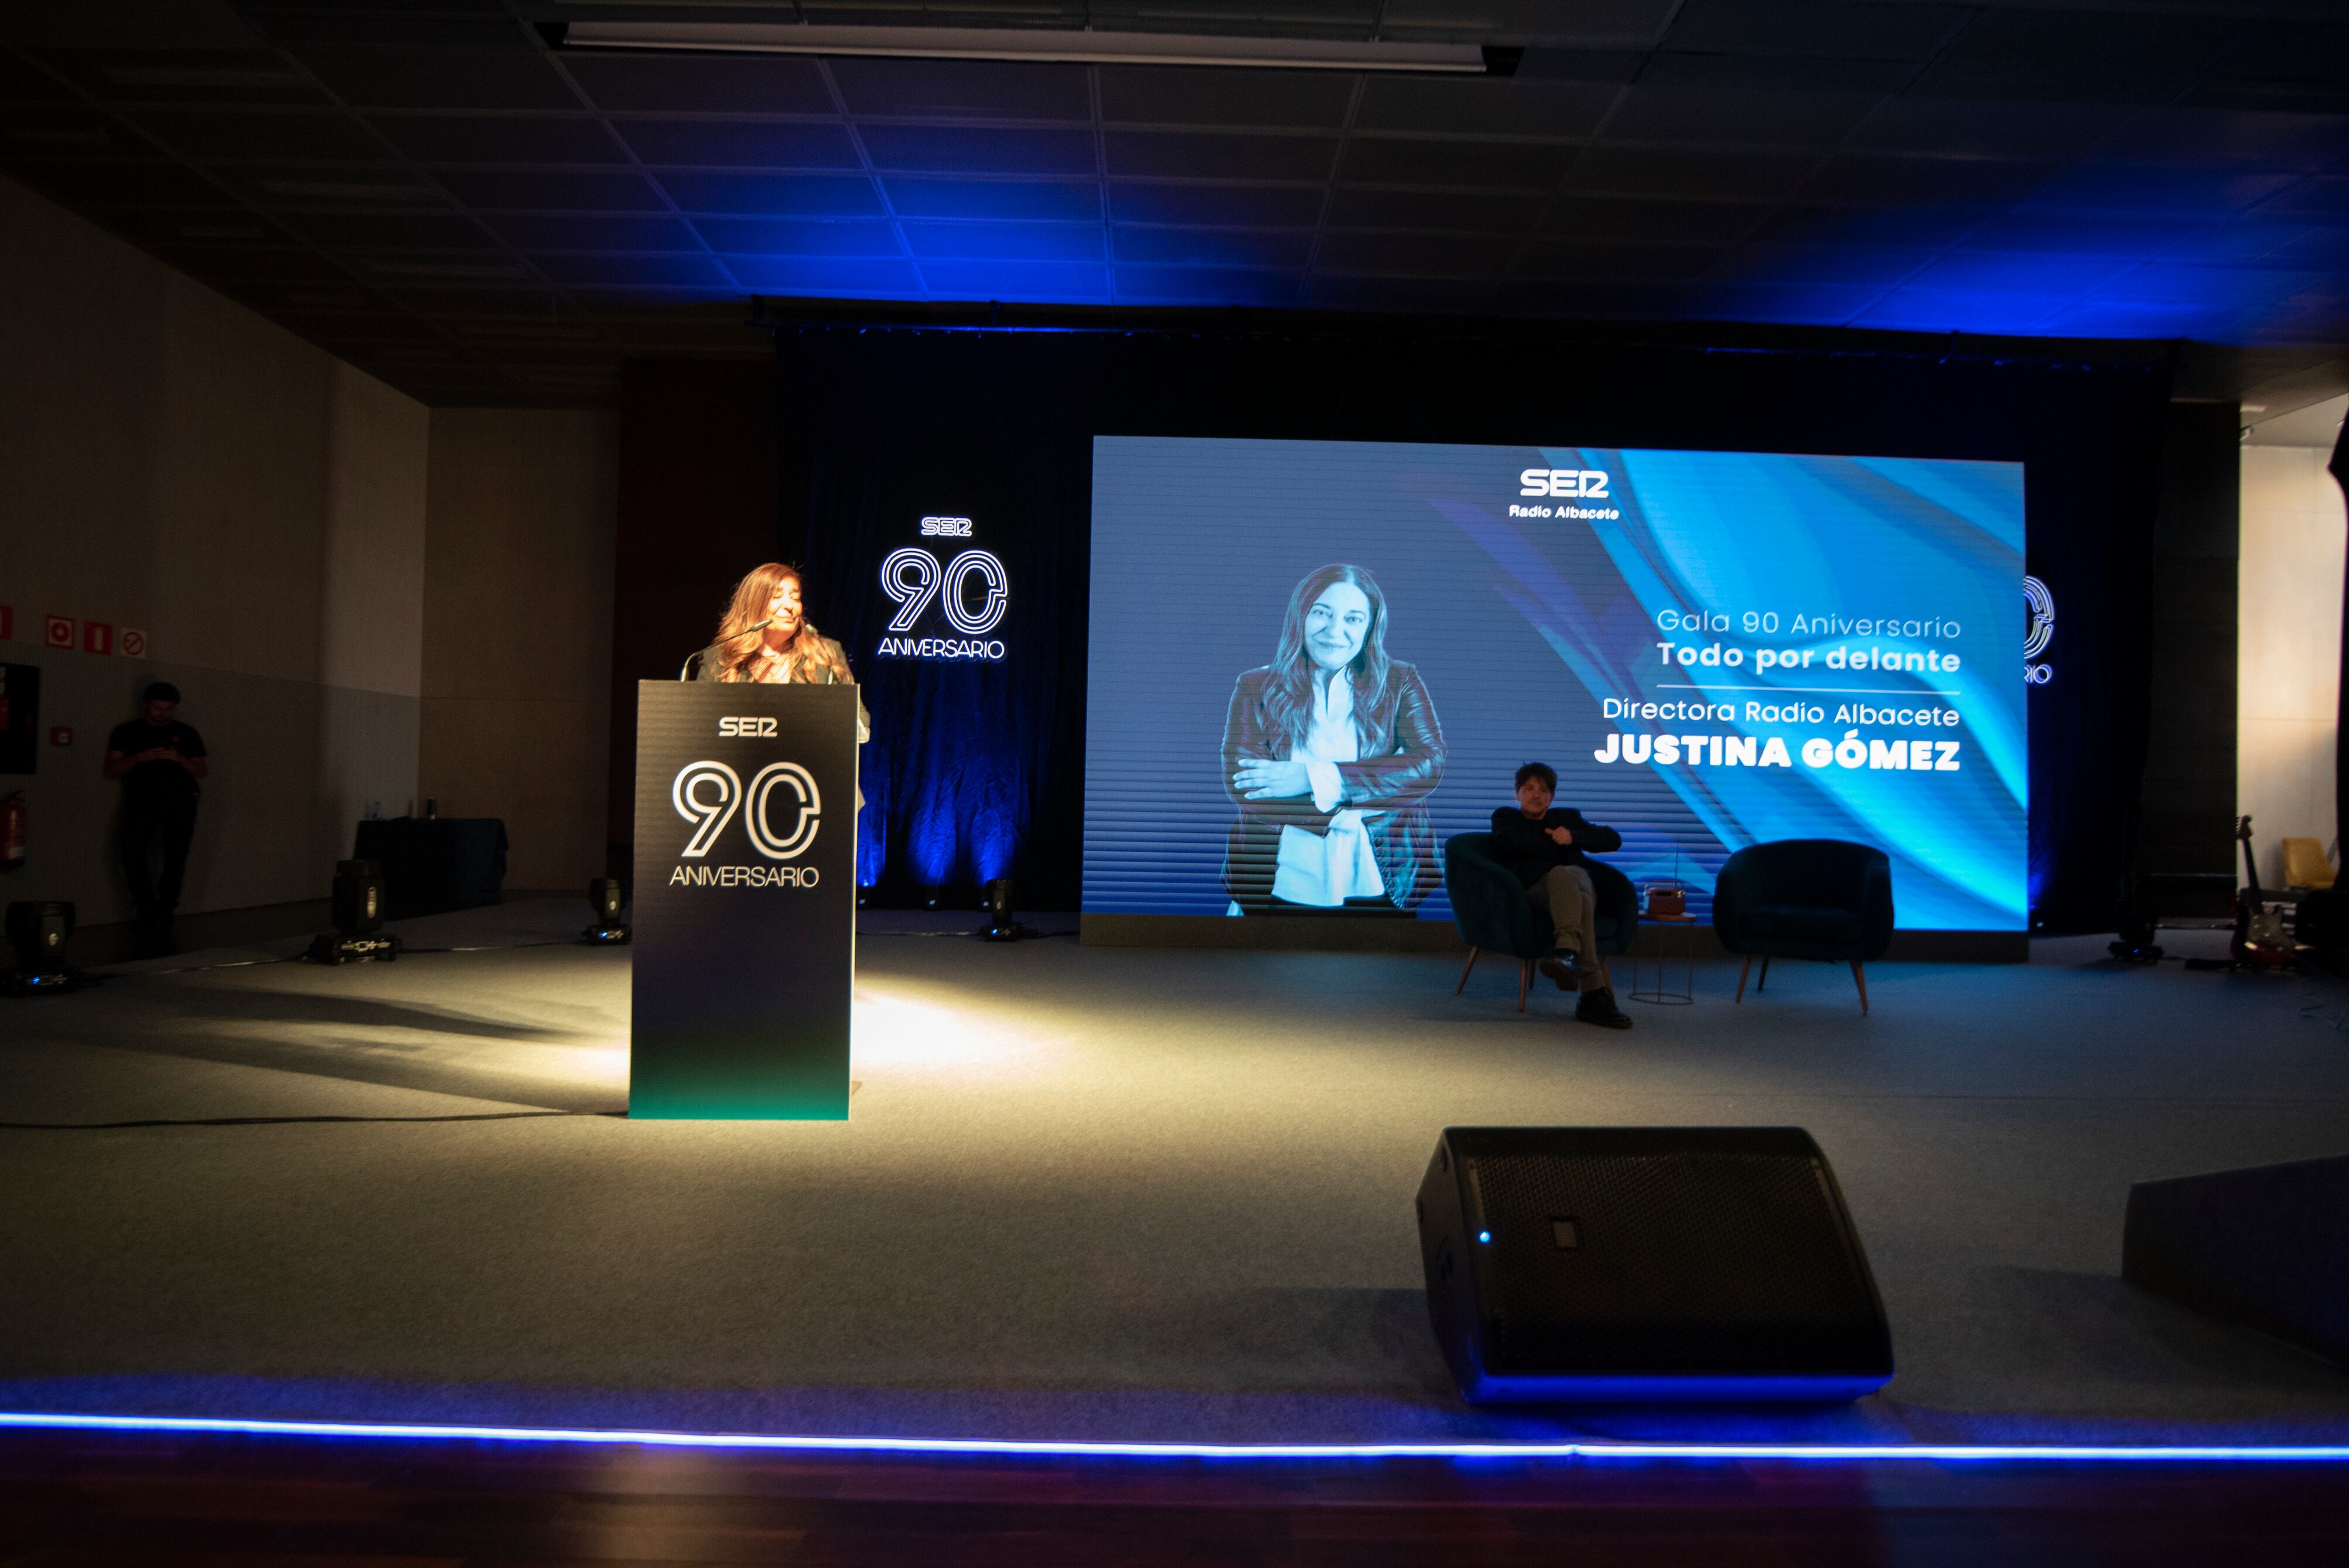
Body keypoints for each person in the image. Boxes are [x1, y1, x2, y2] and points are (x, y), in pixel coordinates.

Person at [1221, 563, 1446, 914]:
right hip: (1282, 879)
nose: (1334, 631)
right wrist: (1349, 812)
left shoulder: (1401, 682)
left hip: (1378, 876)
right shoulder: (1255, 686)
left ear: (1371, 626)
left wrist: (1311, 778)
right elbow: (1244, 783)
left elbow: (1427, 763)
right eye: (1321, 613)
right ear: (1301, 617)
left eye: (1353, 619)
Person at [695, 562, 869, 804]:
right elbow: (699, 728)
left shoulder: (825, 654)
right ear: (753, 604)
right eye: (777, 597)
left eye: (795, 598)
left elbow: (861, 722)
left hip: (816, 791)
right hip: (737, 792)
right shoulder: (721, 659)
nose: (789, 606)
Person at [1490, 761, 1632, 1029]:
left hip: (1577, 886)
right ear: (1517, 794)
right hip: (1533, 893)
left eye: (1543, 790)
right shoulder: (1506, 818)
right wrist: (1552, 843)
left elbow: (1612, 840)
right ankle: (1592, 993)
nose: (1536, 795)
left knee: (1570, 878)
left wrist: (1573, 837)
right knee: (1565, 877)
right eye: (1529, 788)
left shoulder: (1566, 819)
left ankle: (1568, 953)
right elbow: (1506, 842)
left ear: (1552, 797)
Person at [103, 681, 208, 956]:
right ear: (146, 705)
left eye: (168, 709)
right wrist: (141, 757)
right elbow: (111, 769)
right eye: (158, 708)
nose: (162, 713)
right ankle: (145, 908)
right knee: (132, 853)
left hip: (180, 803)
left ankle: (166, 909)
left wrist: (178, 759)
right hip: (140, 802)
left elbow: (201, 770)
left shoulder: (186, 733)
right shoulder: (127, 732)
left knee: (176, 856)